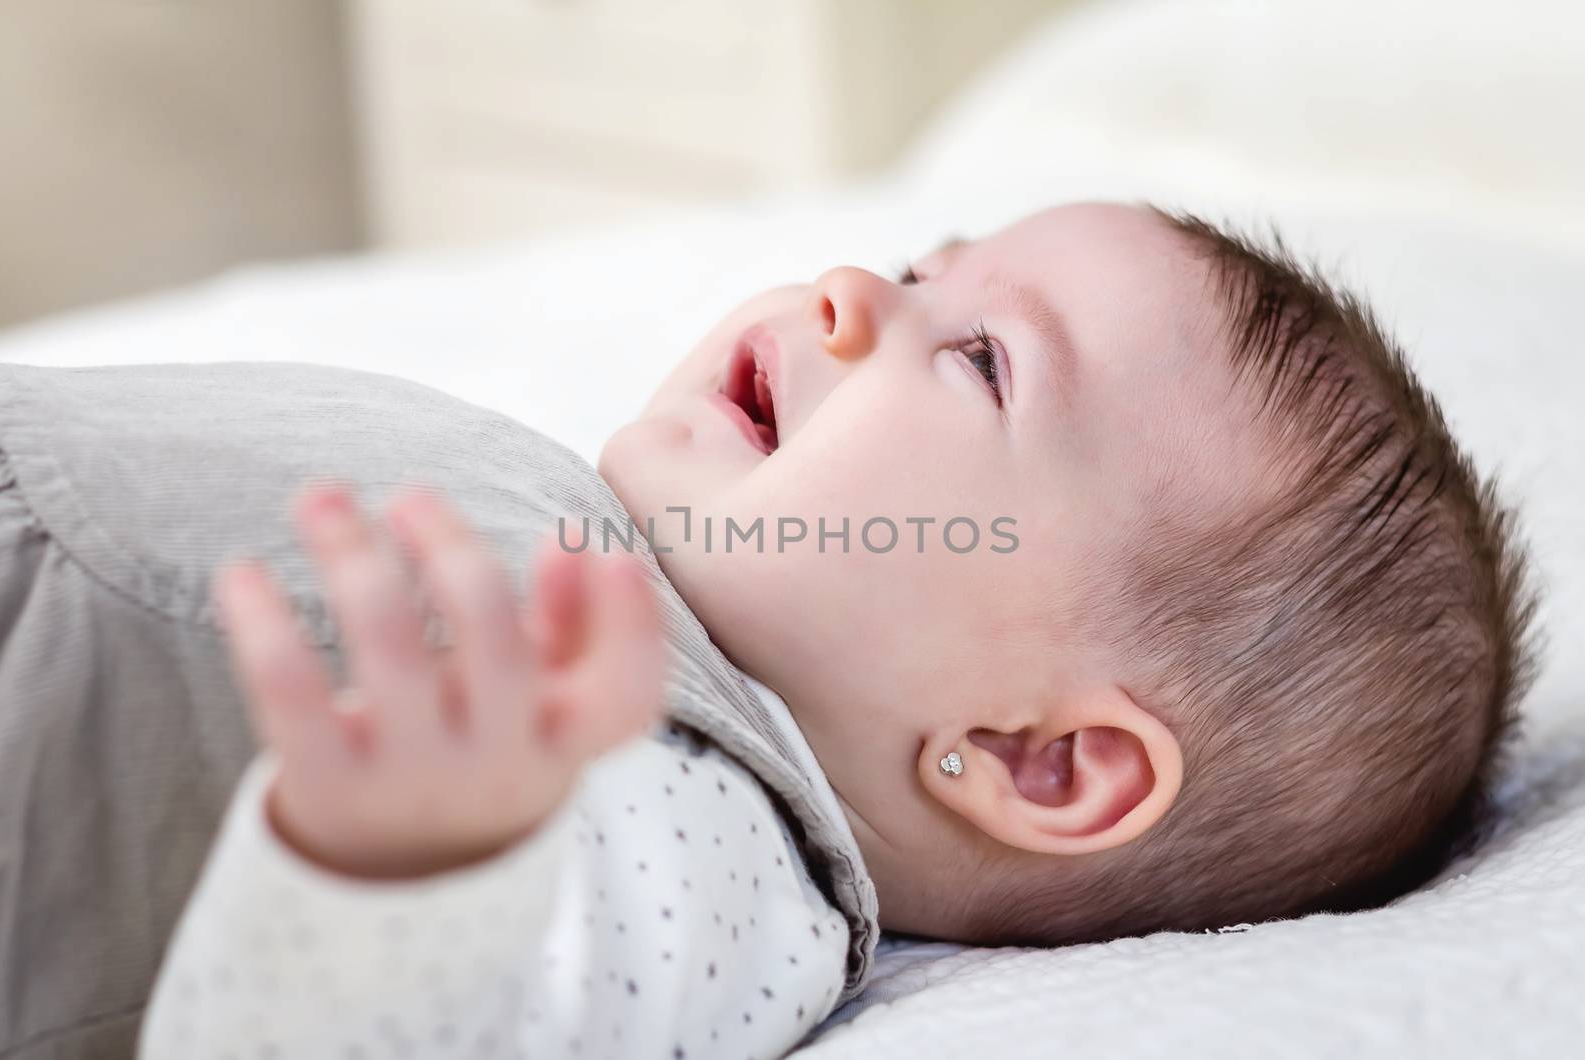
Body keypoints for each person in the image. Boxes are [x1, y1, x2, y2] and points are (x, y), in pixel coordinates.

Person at [137, 202, 1535, 1058]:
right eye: (924, 268)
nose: (847, 296)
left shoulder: (708, 850)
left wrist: (376, 881)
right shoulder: (644, 583)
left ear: (1035, 760)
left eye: (982, 360)